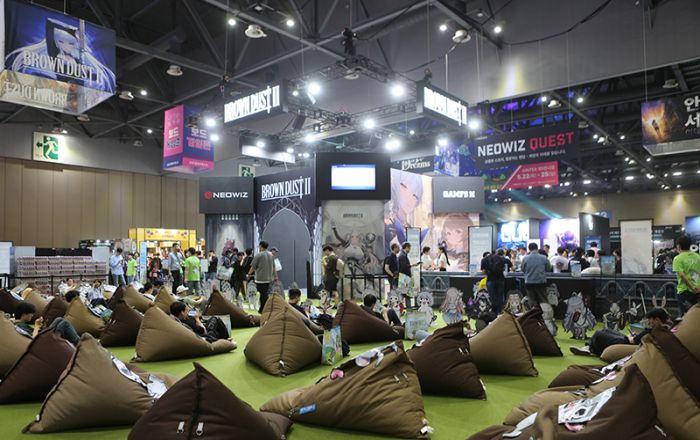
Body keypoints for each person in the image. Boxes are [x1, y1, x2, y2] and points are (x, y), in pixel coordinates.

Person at [570, 308, 669, 356]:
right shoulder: (664, 329)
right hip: (629, 340)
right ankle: (588, 347)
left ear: (657, 320)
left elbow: (633, 341)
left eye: (650, 320)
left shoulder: (652, 331)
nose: (649, 322)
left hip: (626, 342)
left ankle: (590, 349)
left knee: (599, 333)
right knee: (606, 330)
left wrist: (630, 336)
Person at [14, 301, 80, 345]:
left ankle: (73, 341)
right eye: (31, 314)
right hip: (42, 342)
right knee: (64, 323)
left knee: (59, 319)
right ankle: (79, 343)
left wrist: (40, 327)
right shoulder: (19, 326)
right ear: (24, 315)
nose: (32, 315)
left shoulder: (20, 324)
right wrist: (36, 326)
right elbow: (32, 339)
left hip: (42, 338)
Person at [521, 243, 554, 328]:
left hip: (529, 282)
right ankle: (547, 320)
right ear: (537, 248)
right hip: (541, 282)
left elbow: (522, 269)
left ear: (529, 249)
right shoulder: (543, 258)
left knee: (532, 301)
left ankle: (533, 319)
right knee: (543, 300)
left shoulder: (525, 258)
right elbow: (549, 268)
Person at [673, 235, 700, 312]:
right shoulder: (698, 257)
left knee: (685, 315)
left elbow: (682, 275)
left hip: (684, 291)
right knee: (697, 314)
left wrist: (692, 287)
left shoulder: (677, 259)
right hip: (698, 289)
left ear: (678, 246)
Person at [248, 241, 276, 313]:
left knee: (263, 294)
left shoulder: (259, 255)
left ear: (261, 246)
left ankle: (263, 309)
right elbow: (274, 267)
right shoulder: (271, 255)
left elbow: (253, 266)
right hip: (269, 278)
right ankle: (264, 308)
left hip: (260, 279)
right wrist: (275, 276)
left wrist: (249, 274)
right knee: (265, 293)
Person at [481, 249, 507, 314]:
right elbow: (503, 268)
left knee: (492, 297)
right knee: (500, 296)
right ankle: (500, 311)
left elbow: (483, 271)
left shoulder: (484, 259)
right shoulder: (500, 258)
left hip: (490, 280)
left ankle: (493, 312)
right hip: (500, 279)